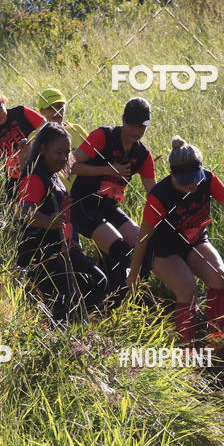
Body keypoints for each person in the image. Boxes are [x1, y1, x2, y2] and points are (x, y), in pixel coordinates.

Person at [127, 135, 224, 344]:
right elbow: (143, 238)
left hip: (194, 241)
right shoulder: (159, 196)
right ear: (172, 174)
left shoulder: (208, 180)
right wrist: (133, 274)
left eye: (196, 178)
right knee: (188, 289)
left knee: (218, 276)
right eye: (186, 181)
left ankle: (216, 342)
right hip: (163, 248)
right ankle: (187, 352)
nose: (193, 185)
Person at [17, 123, 107, 322]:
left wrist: (69, 242)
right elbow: (24, 211)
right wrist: (48, 221)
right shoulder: (35, 176)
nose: (64, 157)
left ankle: (78, 326)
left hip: (62, 248)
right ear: (43, 149)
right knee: (63, 300)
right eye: (58, 152)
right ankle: (62, 337)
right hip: (40, 254)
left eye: (67, 152)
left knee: (98, 281)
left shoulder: (53, 175)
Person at [70, 97, 156, 303]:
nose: (136, 131)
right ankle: (112, 306)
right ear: (123, 119)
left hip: (108, 207)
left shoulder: (142, 155)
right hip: (82, 204)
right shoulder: (103, 136)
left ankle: (130, 297)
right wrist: (109, 170)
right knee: (119, 249)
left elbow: (153, 193)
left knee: (143, 246)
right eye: (132, 125)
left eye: (141, 126)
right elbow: (70, 165)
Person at [0, 88, 45, 197]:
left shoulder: (21, 112)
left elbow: (47, 128)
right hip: (15, 184)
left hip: (40, 169)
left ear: (2, 101)